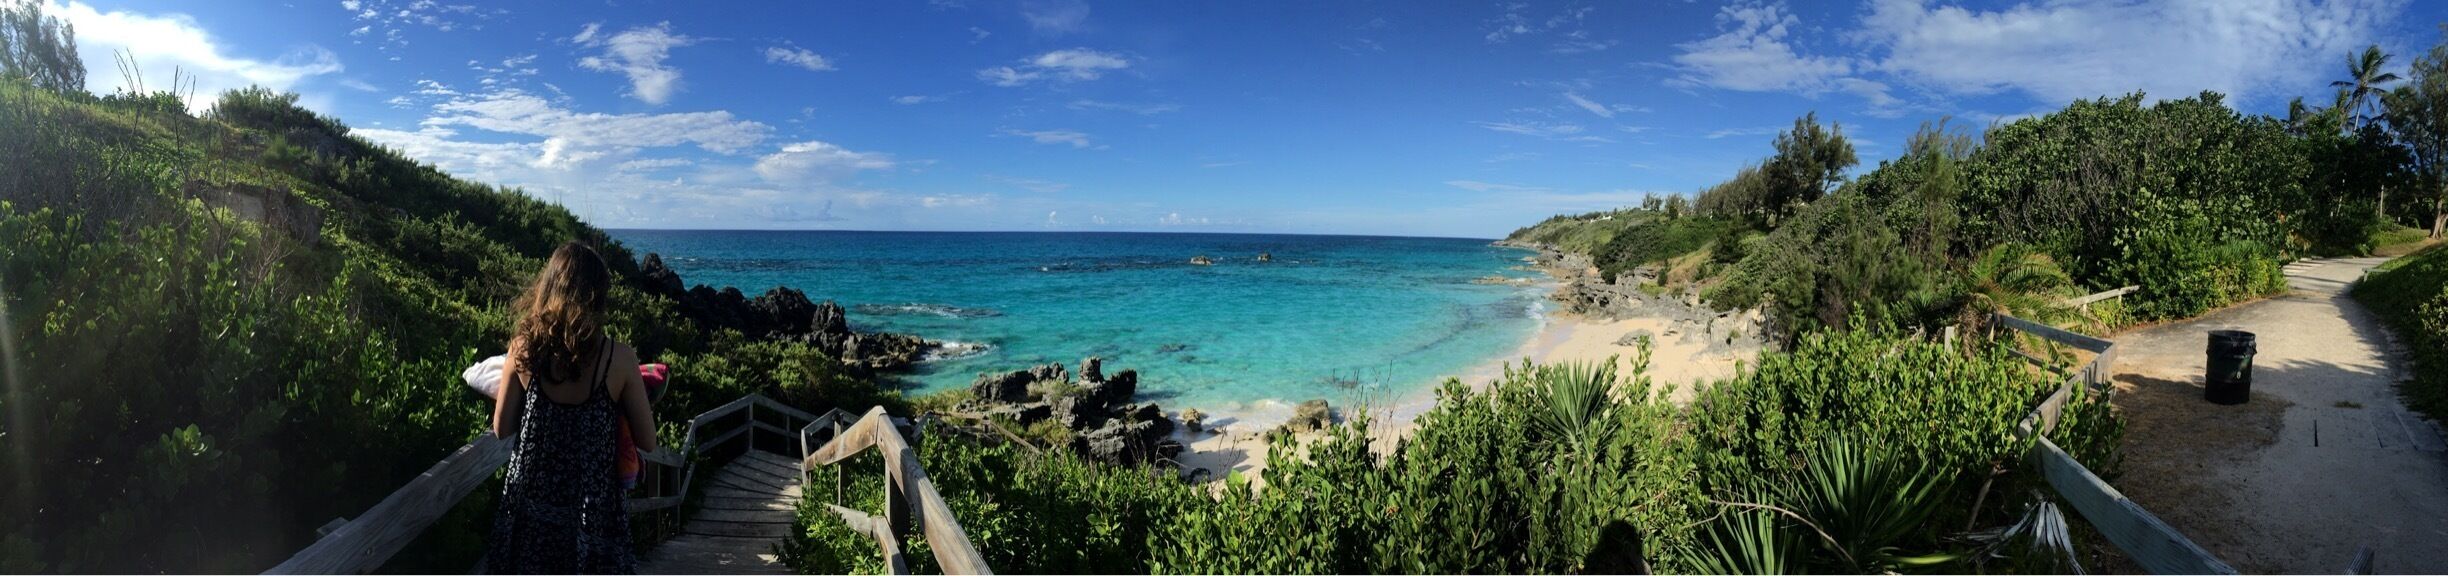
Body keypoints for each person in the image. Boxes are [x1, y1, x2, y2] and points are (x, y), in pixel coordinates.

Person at [487, 241, 657, 574]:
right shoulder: (618, 359)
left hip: (531, 509)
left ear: (549, 287)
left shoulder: (522, 349)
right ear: (598, 297)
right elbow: (648, 441)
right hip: (592, 513)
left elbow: (501, 428)